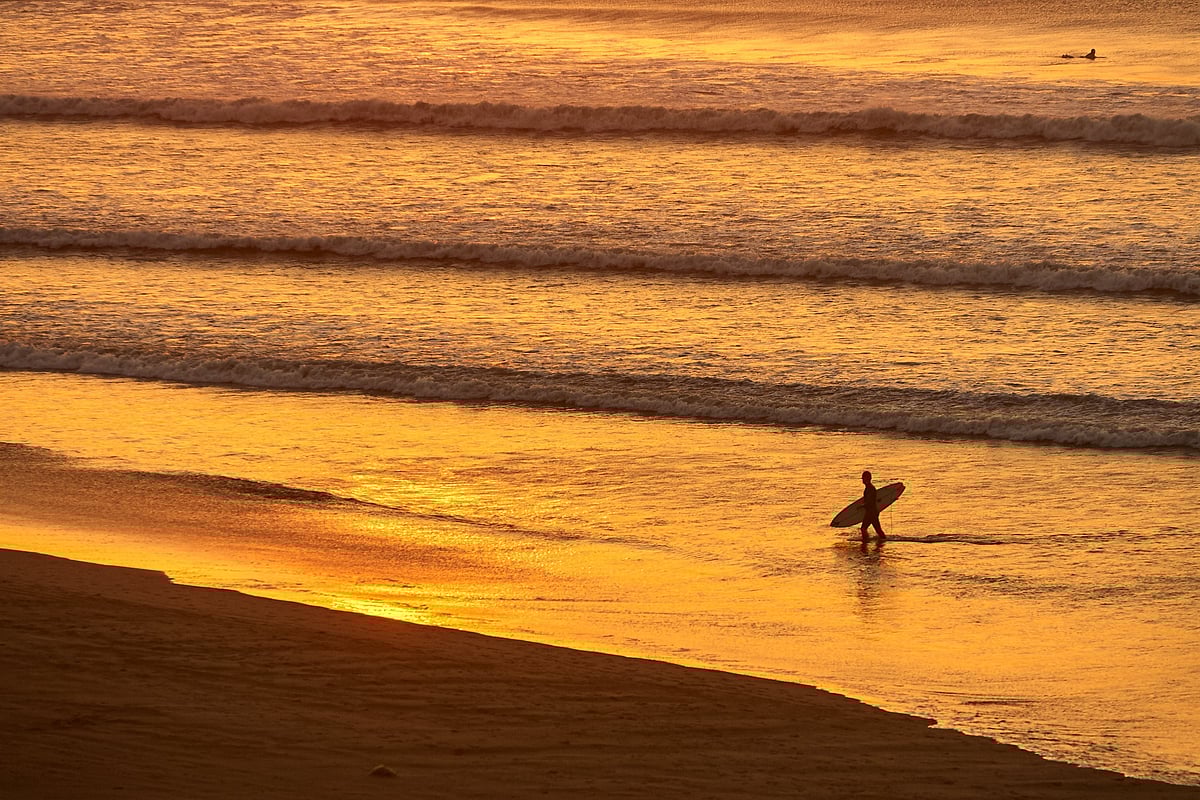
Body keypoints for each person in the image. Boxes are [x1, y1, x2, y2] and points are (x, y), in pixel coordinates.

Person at [860, 470, 886, 542]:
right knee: (878, 530)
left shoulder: (870, 488)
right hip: (873, 512)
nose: (862, 480)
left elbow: (870, 502)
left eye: (863, 478)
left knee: (863, 528)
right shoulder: (869, 488)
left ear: (867, 478)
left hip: (871, 512)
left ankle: (865, 542)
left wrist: (862, 506)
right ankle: (883, 541)